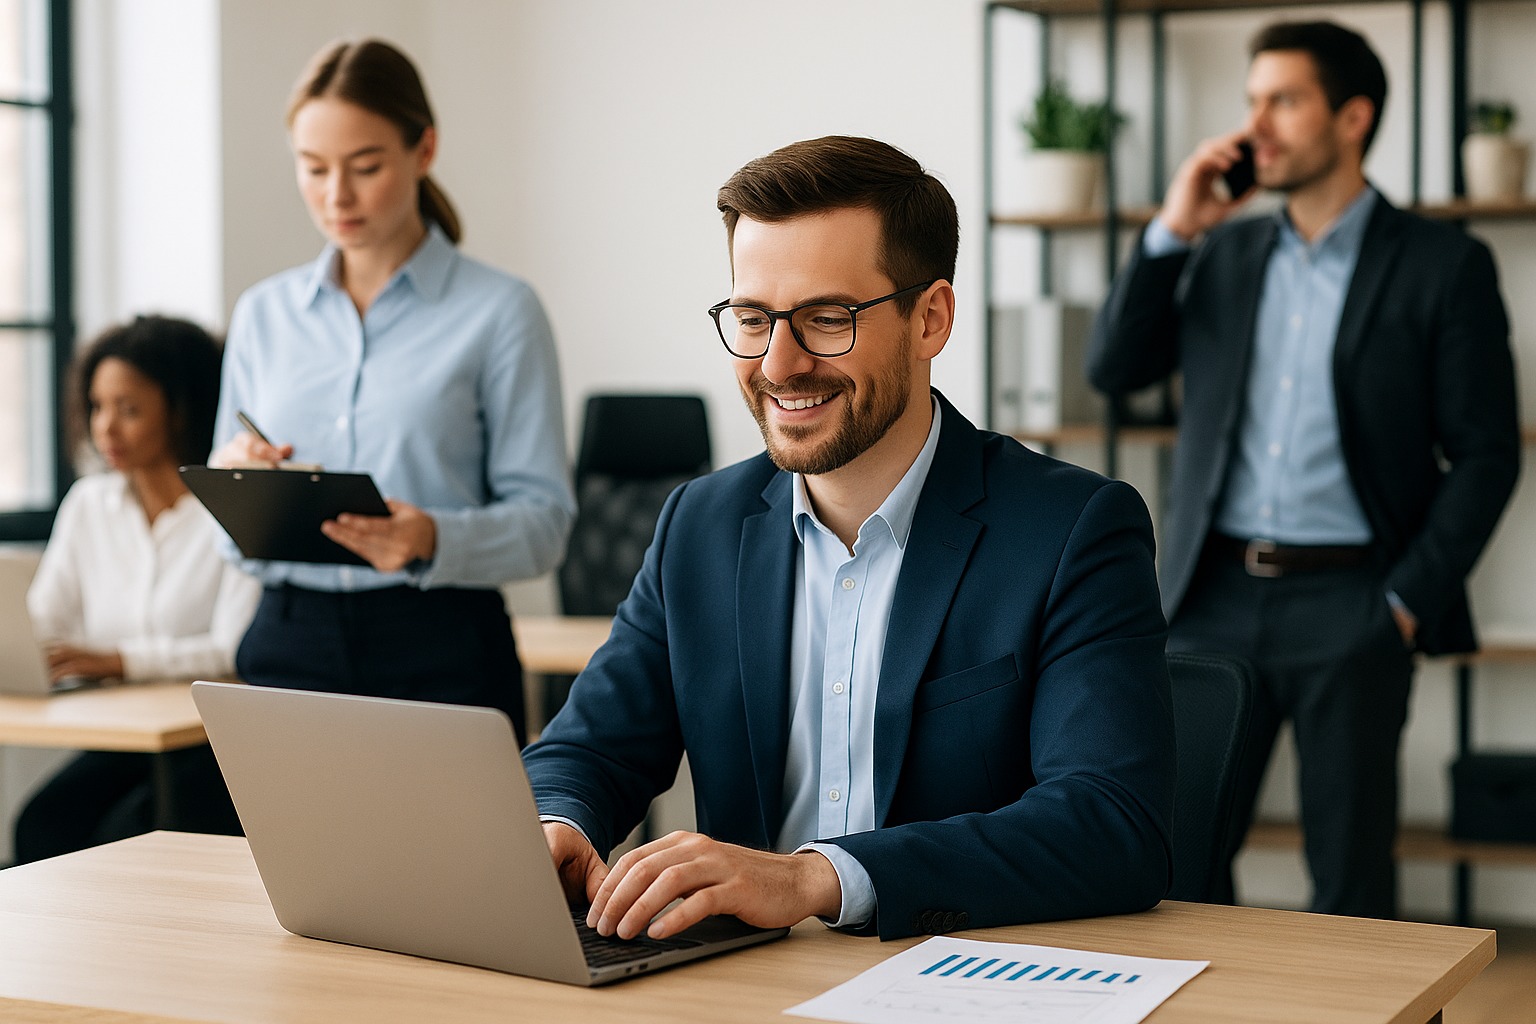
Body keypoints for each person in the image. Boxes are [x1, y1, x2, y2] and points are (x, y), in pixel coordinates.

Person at [525, 136, 1175, 943]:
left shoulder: (1074, 529)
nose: (779, 362)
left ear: (930, 318)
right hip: (745, 988)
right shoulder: (700, 523)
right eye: (754, 318)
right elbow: (588, 748)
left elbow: (1111, 823)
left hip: (963, 980)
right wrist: (558, 823)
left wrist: (814, 877)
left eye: (827, 319)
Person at [1088, 21, 1520, 919]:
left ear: (1353, 116)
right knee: (1175, 865)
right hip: (1209, 601)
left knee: (1351, 885)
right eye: (1251, 102)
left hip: (1354, 605)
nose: (1256, 128)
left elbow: (1486, 452)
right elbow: (1114, 370)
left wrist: (1402, 605)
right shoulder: (1223, 253)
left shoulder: (1445, 264)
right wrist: (1174, 228)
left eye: (1282, 100)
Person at [210, 40, 574, 742]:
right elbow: (232, 544)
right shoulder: (263, 313)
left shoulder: (501, 311)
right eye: (313, 169)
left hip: (440, 644)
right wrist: (242, 488)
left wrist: (432, 536)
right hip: (289, 646)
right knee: (289, 856)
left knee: (458, 857)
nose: (336, 196)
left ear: (424, 148)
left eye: (365, 166)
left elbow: (544, 526)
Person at [15, 316, 261, 864]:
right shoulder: (89, 504)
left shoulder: (231, 507)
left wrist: (118, 660)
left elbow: (232, 649)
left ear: (182, 410)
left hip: (210, 743)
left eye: (129, 409)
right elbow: (46, 620)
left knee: (126, 833)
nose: (107, 428)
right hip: (123, 734)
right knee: (45, 823)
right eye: (98, 407)